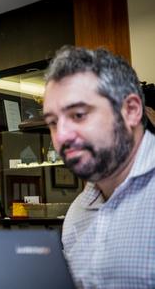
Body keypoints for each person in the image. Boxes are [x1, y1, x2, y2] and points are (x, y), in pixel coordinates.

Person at [42, 46, 155, 288]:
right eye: (52, 122)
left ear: (131, 111)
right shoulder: (77, 213)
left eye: (79, 114)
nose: (61, 135)